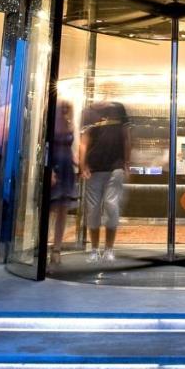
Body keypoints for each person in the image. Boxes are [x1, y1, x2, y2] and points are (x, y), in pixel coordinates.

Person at [78, 99, 129, 263]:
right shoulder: (88, 112)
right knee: (93, 209)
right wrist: (83, 165)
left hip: (115, 166)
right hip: (94, 167)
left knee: (111, 206)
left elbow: (126, 136)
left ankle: (109, 249)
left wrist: (126, 162)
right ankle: (94, 249)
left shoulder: (119, 108)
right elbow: (84, 140)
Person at [46, 100, 78, 265]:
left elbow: (69, 149)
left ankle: (57, 249)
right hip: (54, 168)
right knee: (49, 209)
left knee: (63, 210)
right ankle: (44, 245)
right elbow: (47, 147)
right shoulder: (51, 124)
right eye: (62, 107)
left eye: (67, 107)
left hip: (67, 170)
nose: (65, 110)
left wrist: (77, 162)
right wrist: (50, 170)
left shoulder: (69, 124)